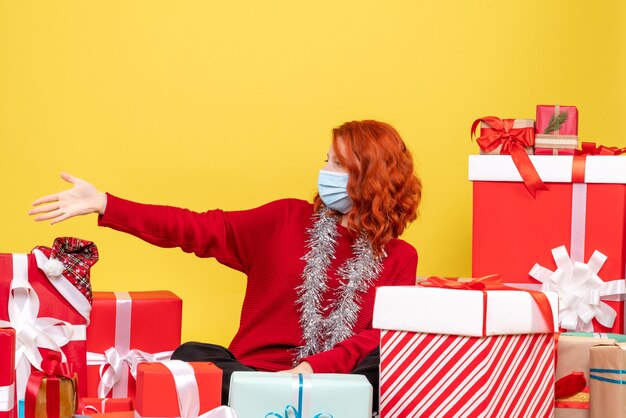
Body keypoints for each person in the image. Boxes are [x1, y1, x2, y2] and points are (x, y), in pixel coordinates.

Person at [29, 120, 422, 411]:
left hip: (335, 384)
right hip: (251, 376)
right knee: (192, 355)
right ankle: (264, 400)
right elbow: (195, 228)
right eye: (326, 160)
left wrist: (309, 370)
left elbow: (377, 338)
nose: (324, 172)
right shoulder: (284, 220)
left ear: (370, 177)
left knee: (387, 357)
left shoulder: (401, 258)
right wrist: (107, 204)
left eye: (337, 164)